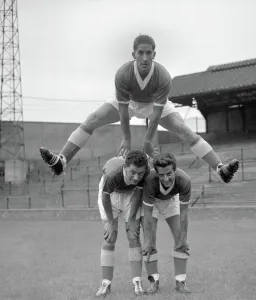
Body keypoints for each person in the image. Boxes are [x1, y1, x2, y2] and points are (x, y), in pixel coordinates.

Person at [39, 34, 238, 183]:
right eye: (140, 53)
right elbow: (124, 111)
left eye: (148, 53)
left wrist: (148, 141)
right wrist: (126, 138)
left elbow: (157, 114)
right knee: (92, 119)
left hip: (154, 105)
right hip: (129, 103)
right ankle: (62, 161)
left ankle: (220, 169)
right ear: (133, 54)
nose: (144, 57)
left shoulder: (163, 76)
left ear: (154, 54)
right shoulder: (123, 75)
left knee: (184, 130)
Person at [95, 150, 149, 297]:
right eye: (133, 172)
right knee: (109, 237)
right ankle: (106, 283)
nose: (137, 176)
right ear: (125, 166)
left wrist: (131, 218)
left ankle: (137, 281)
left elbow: (138, 192)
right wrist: (111, 222)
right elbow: (105, 197)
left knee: (133, 236)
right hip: (110, 195)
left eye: (140, 173)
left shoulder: (145, 170)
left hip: (130, 196)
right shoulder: (112, 174)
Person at [141, 153, 192, 295]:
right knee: (149, 241)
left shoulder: (184, 180)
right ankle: (153, 282)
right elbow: (147, 214)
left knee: (180, 239)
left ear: (175, 170)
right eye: (161, 175)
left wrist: (183, 238)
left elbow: (184, 214)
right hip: (152, 204)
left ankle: (180, 283)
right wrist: (148, 239)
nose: (165, 178)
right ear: (156, 173)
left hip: (171, 202)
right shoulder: (150, 180)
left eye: (169, 173)